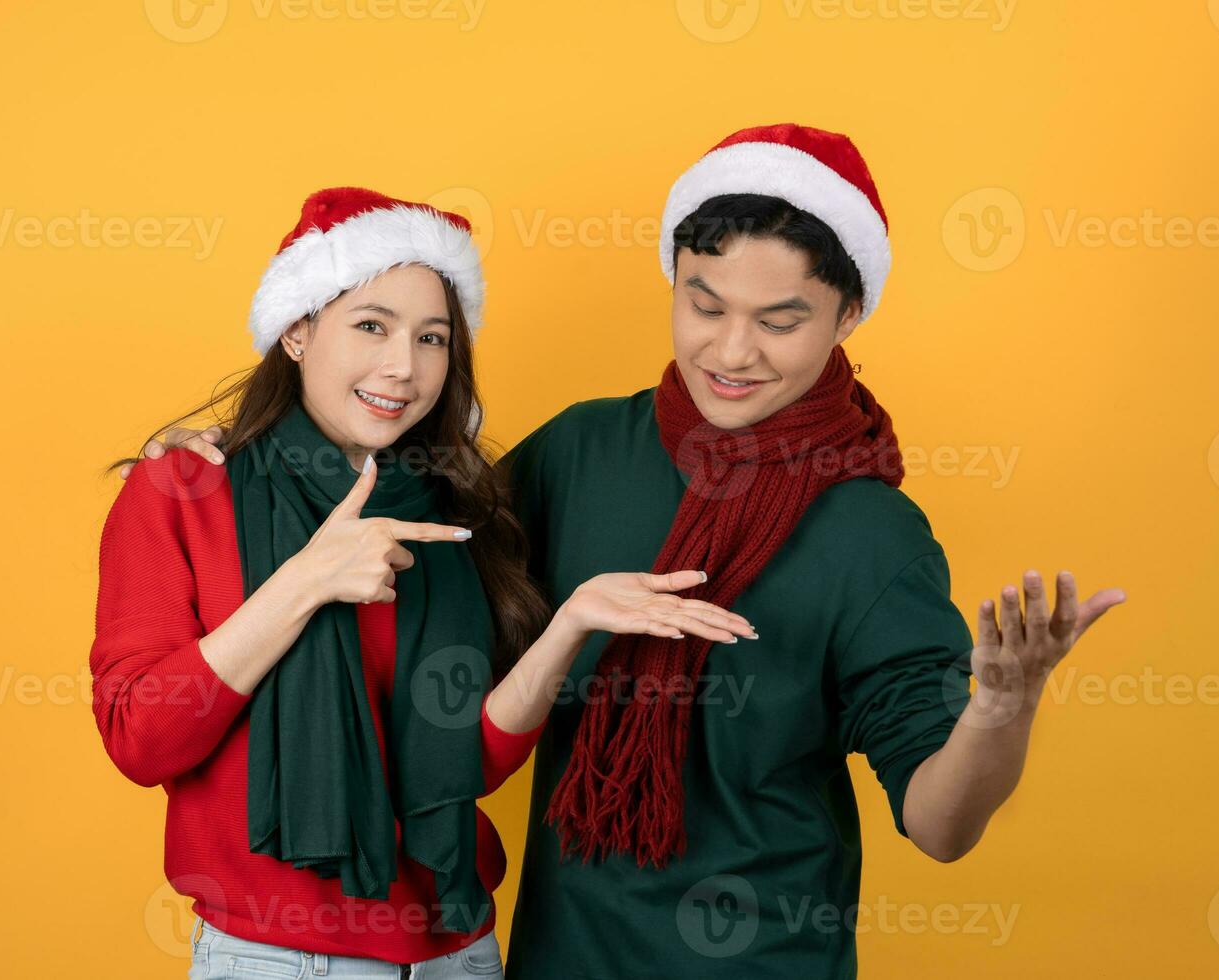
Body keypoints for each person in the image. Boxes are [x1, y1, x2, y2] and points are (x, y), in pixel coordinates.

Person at [134, 126, 1127, 978]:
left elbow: (943, 825)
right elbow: (397, 504)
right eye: (705, 305)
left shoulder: (873, 533)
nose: (733, 352)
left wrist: (1001, 709)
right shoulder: (580, 452)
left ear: (847, 315)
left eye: (781, 321)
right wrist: (223, 459)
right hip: (551, 953)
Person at [90, 186, 752, 979]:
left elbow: (466, 764)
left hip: (460, 953)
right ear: (298, 330)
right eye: (371, 325)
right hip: (279, 958)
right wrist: (305, 581)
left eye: (433, 338)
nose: (404, 367)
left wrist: (569, 626)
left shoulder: (451, 506)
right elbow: (140, 737)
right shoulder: (186, 491)